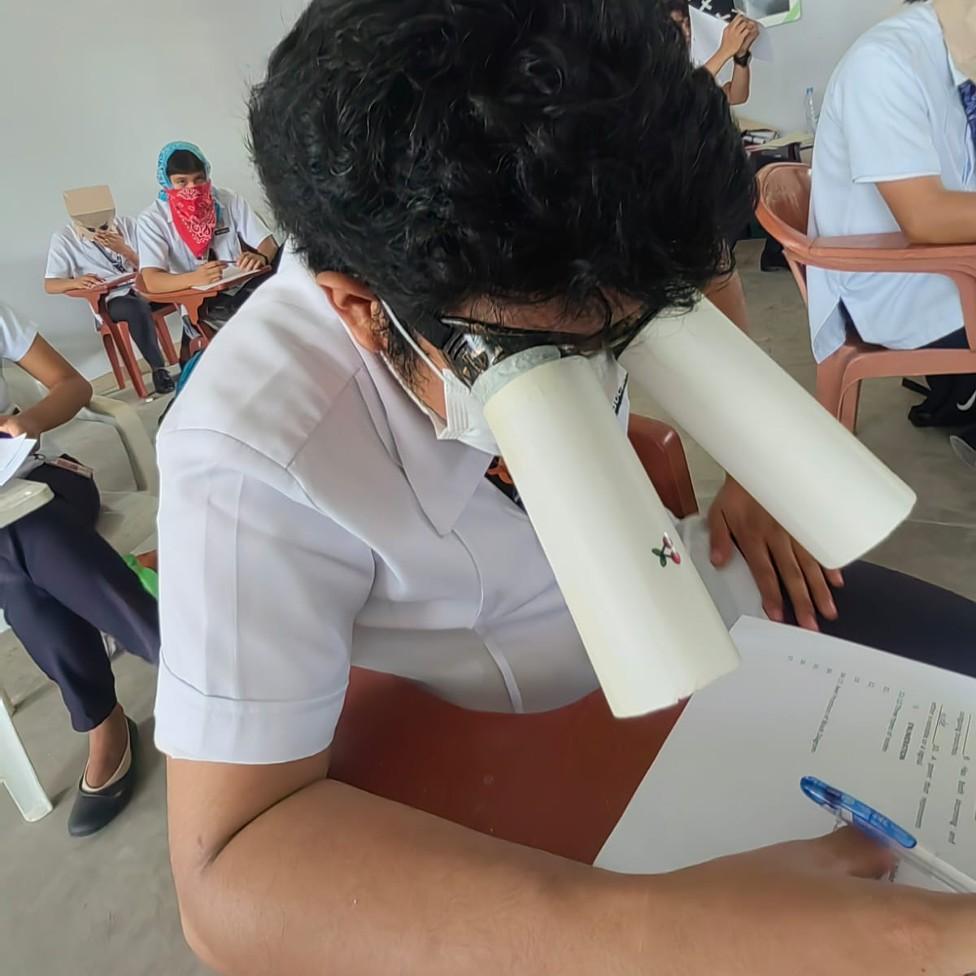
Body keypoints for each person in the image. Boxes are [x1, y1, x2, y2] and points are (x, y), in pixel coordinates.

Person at [154, 2, 976, 974]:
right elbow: (226, 877)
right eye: (558, 356)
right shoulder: (251, 451)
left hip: (698, 603)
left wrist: (750, 466)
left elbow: (696, 261)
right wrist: (670, 931)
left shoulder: (591, 211)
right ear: (362, 312)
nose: (607, 371)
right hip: (530, 727)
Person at [0, 301, 159, 836]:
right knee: (11, 555)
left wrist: (27, 423)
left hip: (41, 478)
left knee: (18, 538)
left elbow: (72, 384)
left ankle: (102, 723)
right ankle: (174, 648)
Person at [809, 0, 976, 435]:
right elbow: (926, 217)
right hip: (898, 289)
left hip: (942, 268)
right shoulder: (885, 63)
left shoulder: (957, 61)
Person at [137, 142, 279, 336]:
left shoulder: (228, 199)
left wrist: (261, 257)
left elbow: (268, 243)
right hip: (202, 301)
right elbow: (152, 280)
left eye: (199, 179)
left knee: (292, 250)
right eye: (182, 182)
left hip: (245, 286)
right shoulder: (152, 219)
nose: (192, 187)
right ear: (167, 182)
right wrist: (195, 278)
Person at [44, 205, 176, 395]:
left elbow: (154, 265)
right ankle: (159, 370)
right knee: (135, 307)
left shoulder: (128, 224)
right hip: (112, 299)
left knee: (178, 289)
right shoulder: (65, 238)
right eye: (91, 230)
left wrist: (125, 250)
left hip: (143, 286)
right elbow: (50, 284)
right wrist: (76, 282)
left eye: (104, 227)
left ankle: (194, 353)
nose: (98, 233)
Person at [667, 0, 760, 106]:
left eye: (687, 23)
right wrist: (725, 51)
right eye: (678, 26)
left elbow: (735, 97)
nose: (687, 32)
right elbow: (683, 95)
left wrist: (741, 56)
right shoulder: (657, 67)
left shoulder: (695, 56)